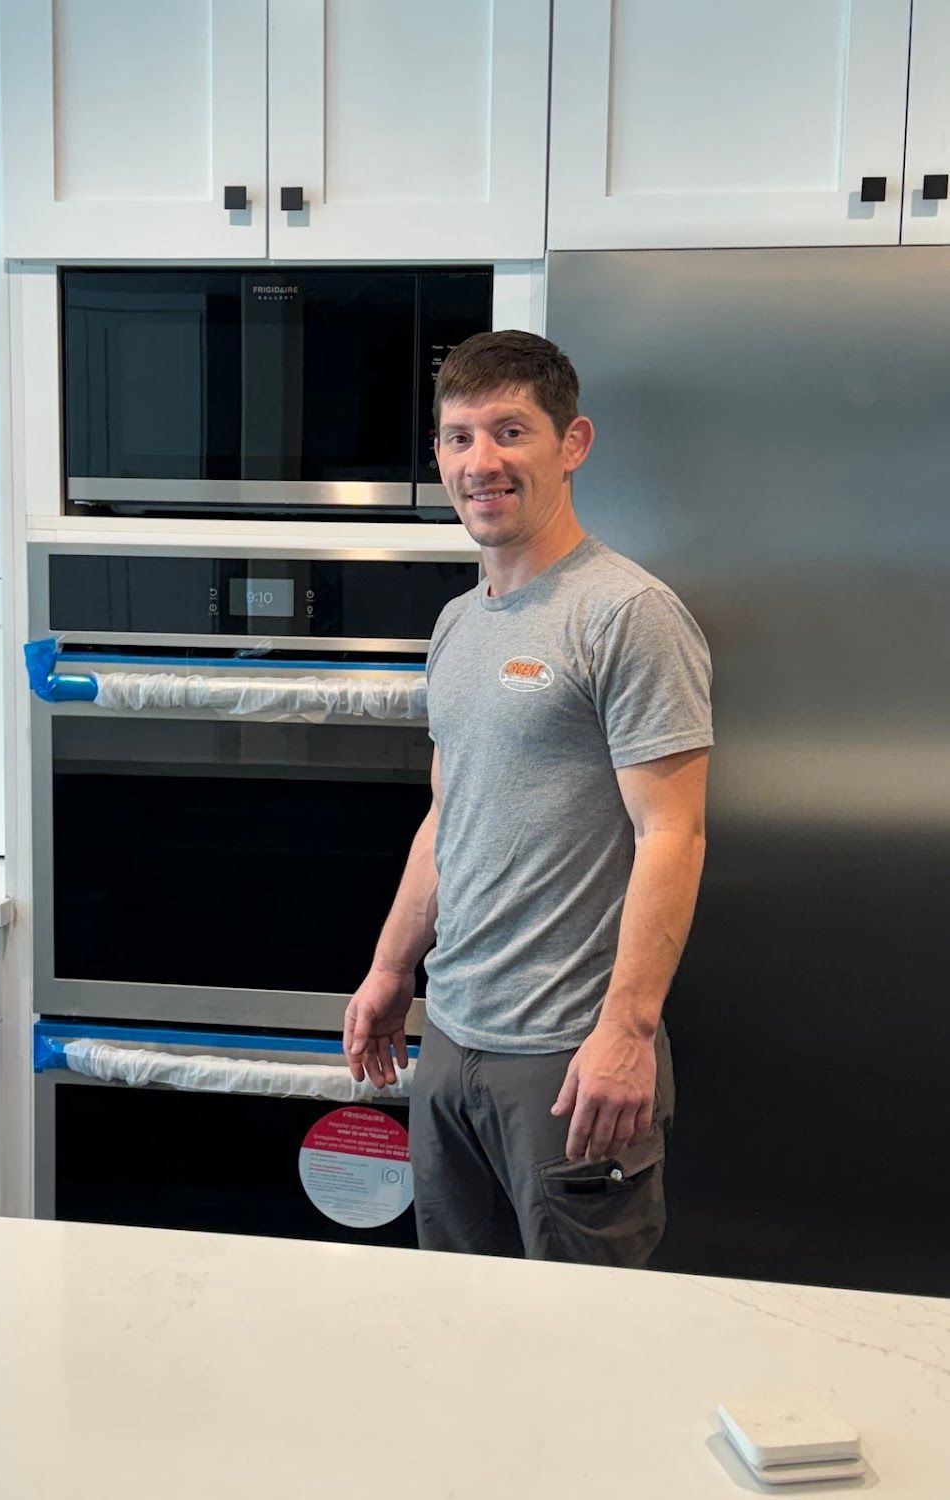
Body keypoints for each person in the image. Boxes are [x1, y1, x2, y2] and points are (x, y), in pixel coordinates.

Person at [342, 330, 714, 1266]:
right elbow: (446, 814)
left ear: (571, 443)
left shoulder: (625, 614)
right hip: (451, 1036)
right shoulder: (457, 624)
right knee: (455, 1330)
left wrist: (626, 1032)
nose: (482, 462)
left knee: (580, 1348)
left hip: (568, 1061)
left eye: (510, 432)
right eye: (458, 438)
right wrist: (393, 970)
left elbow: (672, 832)